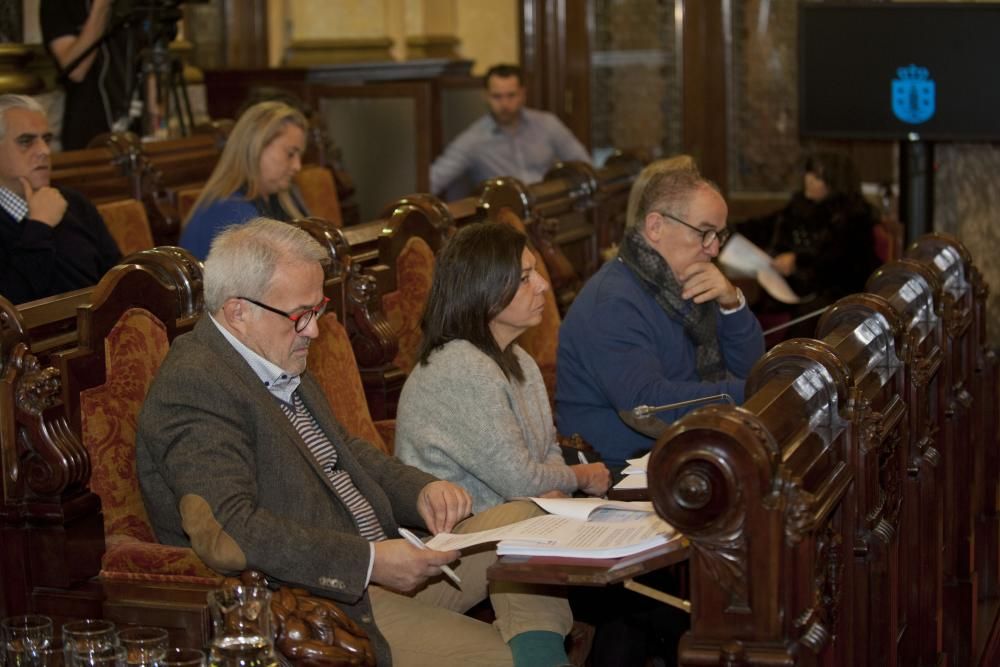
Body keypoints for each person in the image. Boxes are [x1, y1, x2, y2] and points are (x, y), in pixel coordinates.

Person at [136, 218, 574, 667]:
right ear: (238, 312)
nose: (314, 331)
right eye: (300, 315)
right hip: (327, 603)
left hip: (387, 560)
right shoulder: (196, 383)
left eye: (317, 309)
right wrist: (368, 562)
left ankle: (540, 656)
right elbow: (229, 531)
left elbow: (346, 451)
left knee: (527, 524)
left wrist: (419, 489)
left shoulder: (274, 354)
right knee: (498, 659)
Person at [556, 157, 765, 472]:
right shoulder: (612, 302)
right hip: (621, 470)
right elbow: (647, 406)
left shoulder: (688, 277)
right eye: (704, 233)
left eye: (719, 235)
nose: (714, 250)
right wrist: (752, 390)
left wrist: (731, 303)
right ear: (655, 226)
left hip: (680, 450)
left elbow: (749, 367)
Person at [395, 222, 610, 514]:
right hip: (464, 536)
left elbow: (549, 449)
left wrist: (556, 491)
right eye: (524, 278)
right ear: (485, 290)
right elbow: (519, 480)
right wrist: (581, 477)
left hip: (519, 517)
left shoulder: (520, 359)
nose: (542, 285)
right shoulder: (459, 368)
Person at [0, 94, 121, 304]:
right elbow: (10, 310)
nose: (44, 151)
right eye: (26, 141)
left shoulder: (74, 202)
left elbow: (118, 278)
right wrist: (39, 226)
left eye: (46, 140)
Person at [737, 151, 882, 304]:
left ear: (836, 184)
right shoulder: (799, 206)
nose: (809, 180)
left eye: (818, 178)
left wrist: (798, 262)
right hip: (792, 287)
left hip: (837, 295)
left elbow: (843, 264)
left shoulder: (855, 216)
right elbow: (765, 225)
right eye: (809, 173)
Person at [430, 64, 591, 197]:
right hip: (507, 217)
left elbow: (583, 165)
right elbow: (434, 179)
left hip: (550, 207)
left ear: (522, 94)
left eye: (511, 95)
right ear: (486, 96)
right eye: (497, 96)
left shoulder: (547, 124)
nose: (505, 104)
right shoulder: (473, 139)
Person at [179, 101, 309, 260]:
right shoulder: (231, 212)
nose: (297, 166)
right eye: (290, 154)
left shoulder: (279, 197)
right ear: (257, 147)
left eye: (299, 156)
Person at [40, 0, 131, 150]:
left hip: (135, 125)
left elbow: (147, 56)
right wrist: (101, 7)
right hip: (88, 132)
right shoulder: (57, 4)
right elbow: (76, 70)